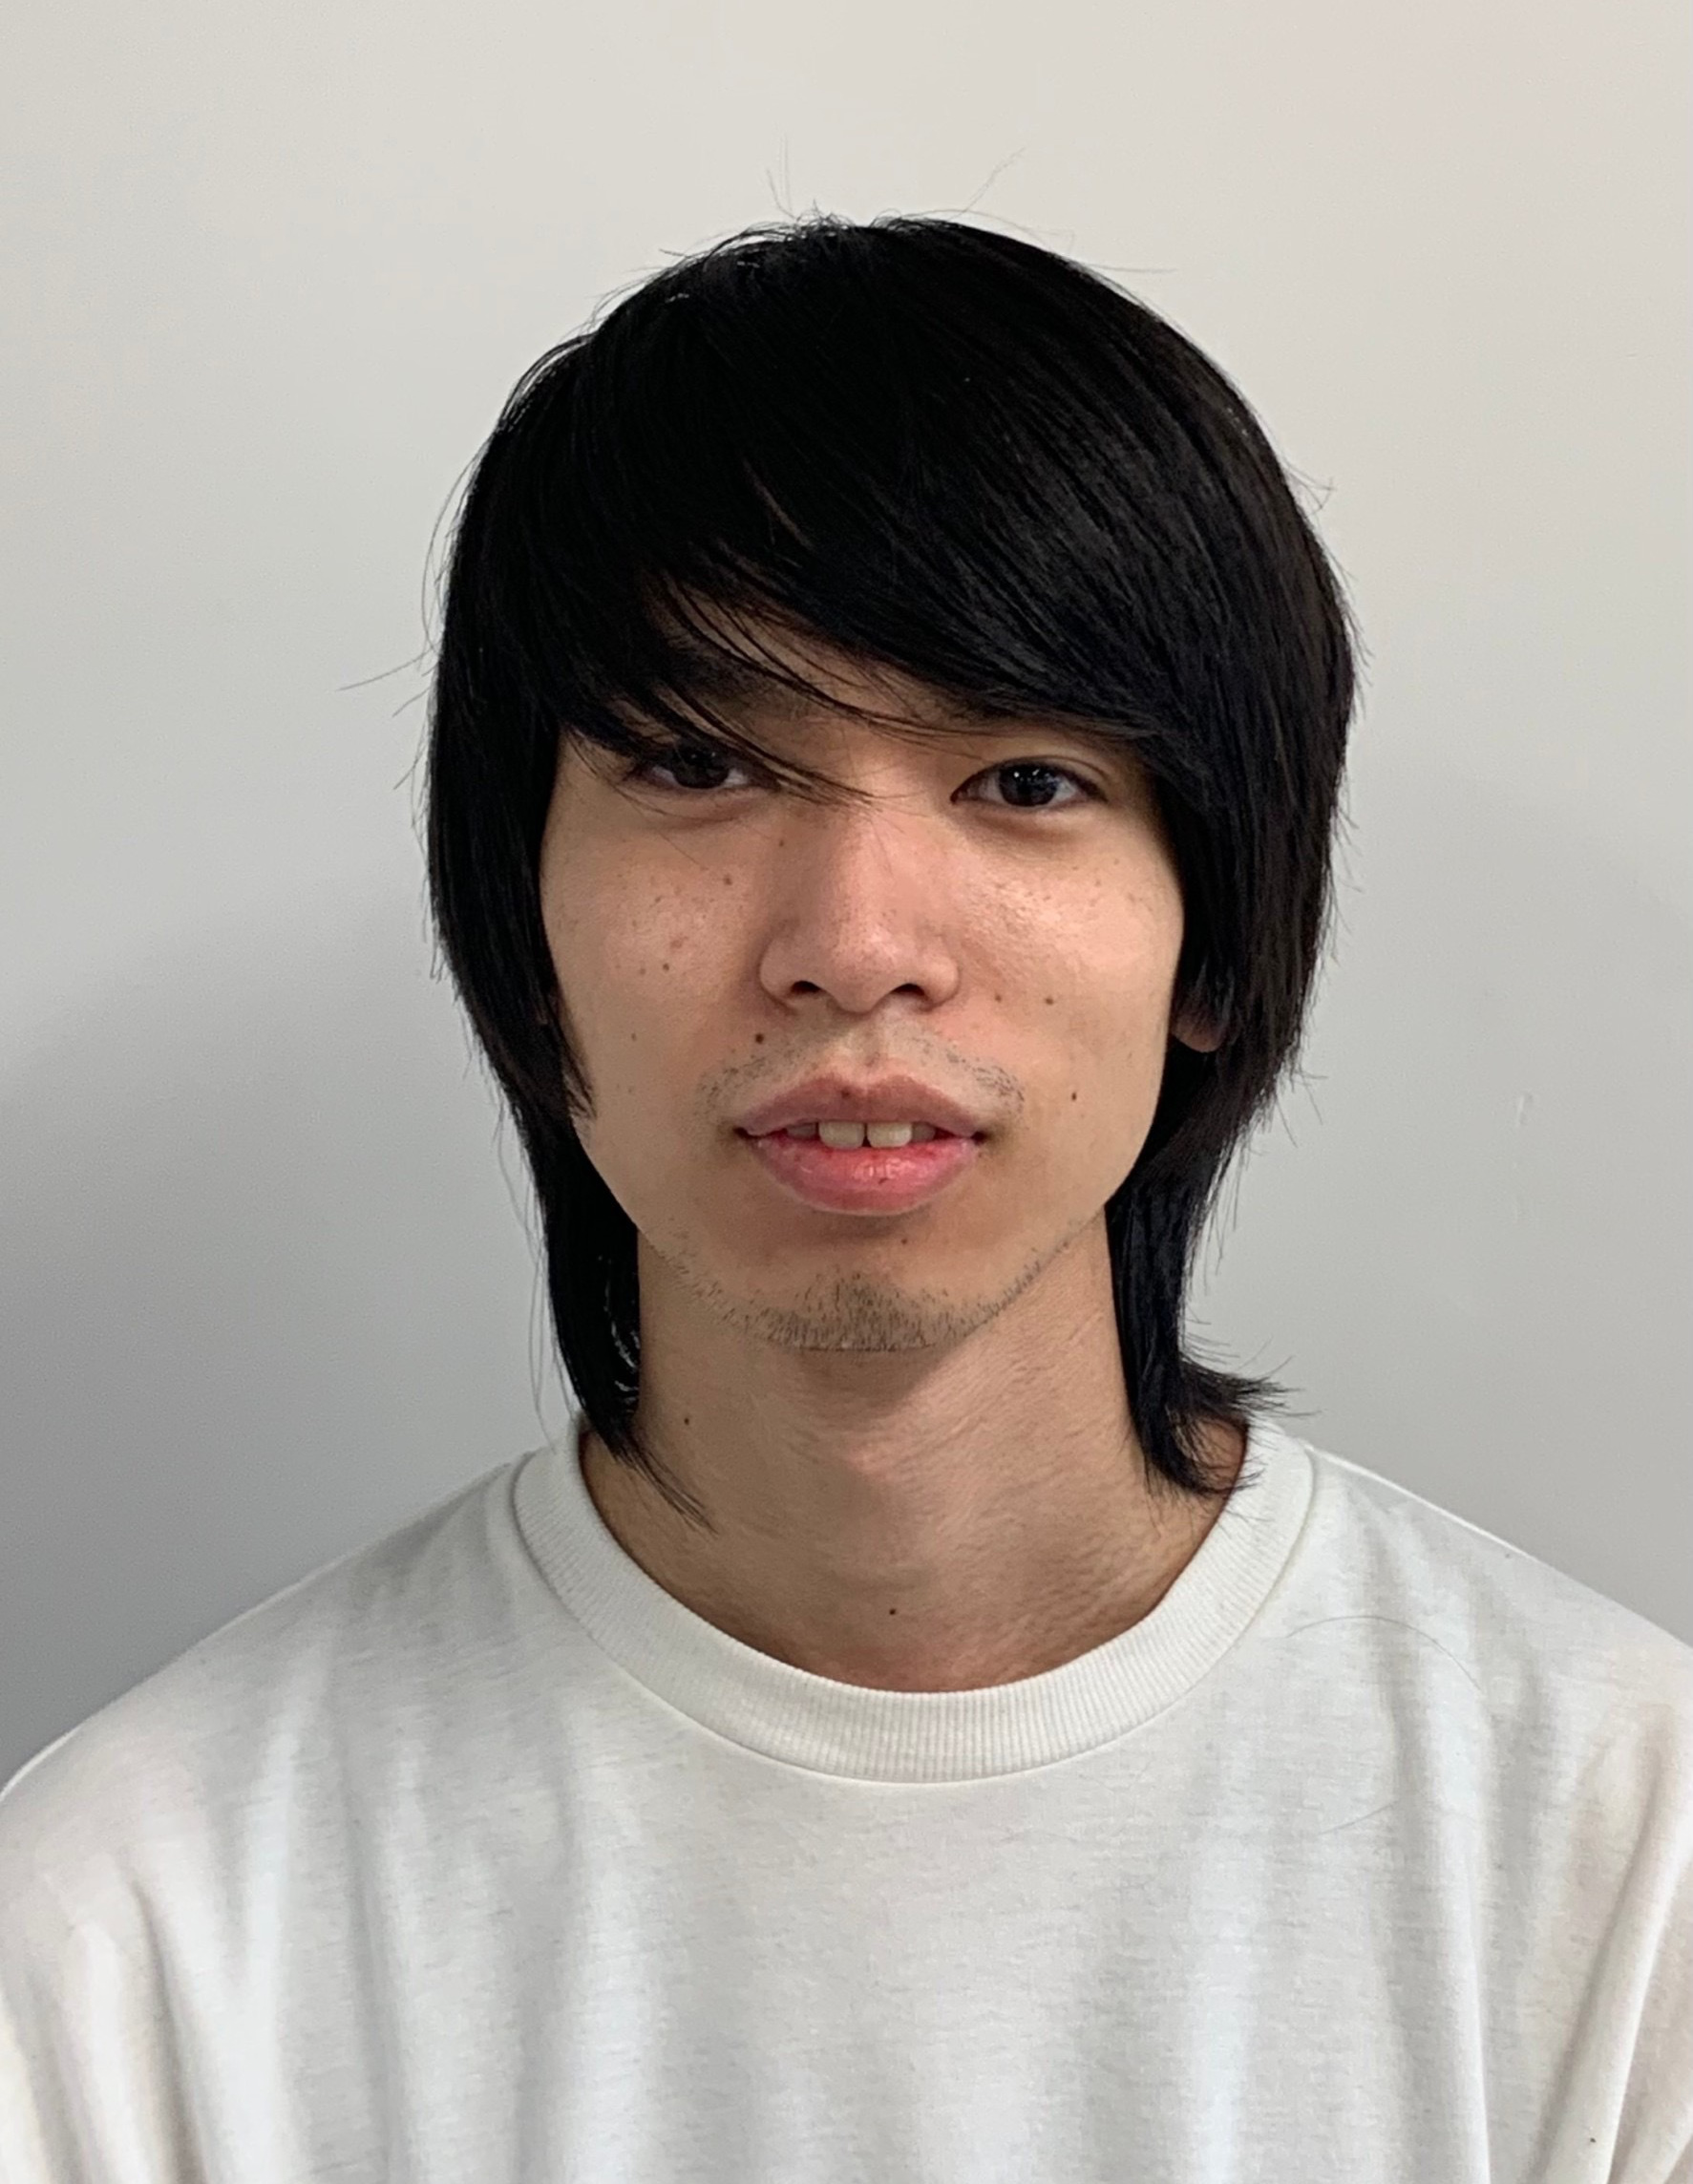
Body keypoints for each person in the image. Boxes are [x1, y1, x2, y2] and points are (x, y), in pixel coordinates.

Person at [1, 213, 1687, 2182]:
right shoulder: (132, 1933)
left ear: (1212, 942)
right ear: (523, 936)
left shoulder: (1619, 1862)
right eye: (699, 762)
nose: (856, 945)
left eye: (1023, 780)